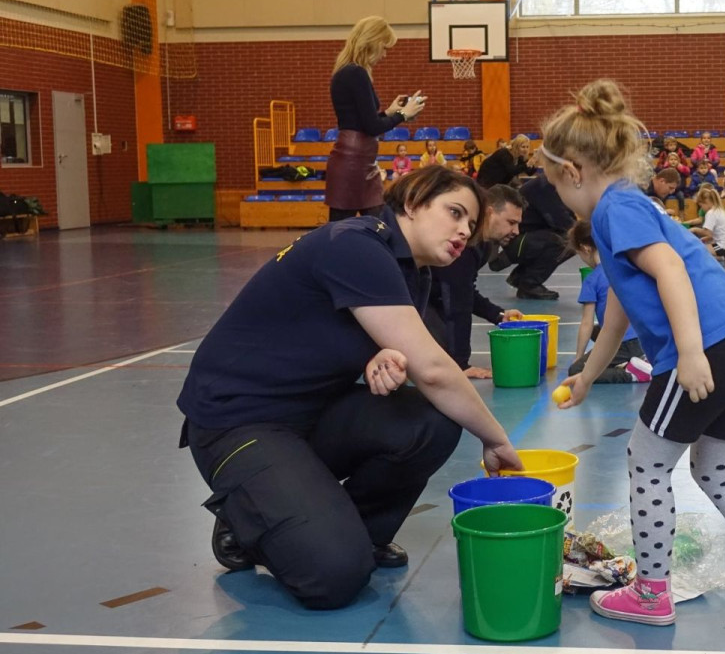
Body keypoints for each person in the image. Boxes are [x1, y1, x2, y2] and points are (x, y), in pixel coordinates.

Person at [176, 166, 522, 610]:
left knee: (431, 421)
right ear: (414, 201)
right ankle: (248, 518)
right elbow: (434, 370)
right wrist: (495, 438)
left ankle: (353, 530)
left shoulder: (412, 271)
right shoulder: (357, 245)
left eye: (471, 225)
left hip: (312, 411)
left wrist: (373, 358)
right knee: (333, 577)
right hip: (238, 423)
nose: (463, 231)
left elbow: (327, 329)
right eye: (454, 213)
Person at [539, 79, 725, 626]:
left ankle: (650, 592)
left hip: (710, 347)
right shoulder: (633, 208)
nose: (559, 198)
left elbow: (668, 271)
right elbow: (620, 305)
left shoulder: (614, 210)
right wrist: (590, 374)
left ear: (573, 172)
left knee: (646, 461)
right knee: (716, 469)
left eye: (555, 186)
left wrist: (689, 353)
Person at [326, 16, 427, 221]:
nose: (385, 54)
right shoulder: (357, 73)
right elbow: (371, 126)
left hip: (355, 159)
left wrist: (389, 113)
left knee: (357, 225)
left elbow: (361, 122)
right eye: (384, 47)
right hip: (355, 161)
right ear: (373, 42)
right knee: (372, 226)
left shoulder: (346, 72)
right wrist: (402, 115)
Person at [426, 184, 526, 378]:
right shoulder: (464, 243)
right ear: (489, 213)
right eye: (511, 222)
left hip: (429, 293)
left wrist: (498, 315)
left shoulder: (484, 245)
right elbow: (457, 305)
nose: (516, 231)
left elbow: (464, 290)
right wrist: (460, 364)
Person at [565, 220, 652, 385]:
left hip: (625, 342)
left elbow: (586, 323)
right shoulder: (622, 268)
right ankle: (637, 359)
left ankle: (631, 374)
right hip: (643, 337)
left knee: (576, 372)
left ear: (585, 248)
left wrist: (578, 359)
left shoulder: (592, 280)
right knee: (597, 331)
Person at [489, 169, 575, 299]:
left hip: (522, 238)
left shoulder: (553, 185)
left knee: (568, 239)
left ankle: (521, 277)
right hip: (511, 240)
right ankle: (529, 283)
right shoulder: (545, 187)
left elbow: (567, 217)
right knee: (565, 241)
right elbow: (562, 222)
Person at [683, 185, 725, 258]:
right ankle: (719, 255)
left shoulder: (711, 213)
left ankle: (720, 255)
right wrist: (703, 239)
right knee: (701, 245)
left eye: (701, 206)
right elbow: (713, 234)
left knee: (696, 250)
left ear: (705, 203)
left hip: (723, 246)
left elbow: (707, 233)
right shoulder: (719, 210)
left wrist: (694, 229)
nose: (702, 208)